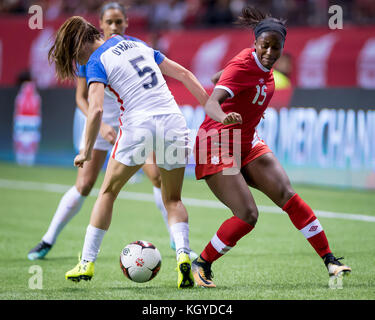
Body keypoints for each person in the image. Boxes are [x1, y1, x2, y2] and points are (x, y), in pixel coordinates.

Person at [191, 6, 351, 288]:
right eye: (264, 46)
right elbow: (211, 101)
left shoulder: (258, 67)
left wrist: (226, 77)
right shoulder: (244, 65)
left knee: (287, 194)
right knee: (247, 215)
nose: (269, 52)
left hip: (247, 140)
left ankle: (331, 261)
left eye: (275, 48)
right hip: (216, 142)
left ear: (282, 48)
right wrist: (224, 115)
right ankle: (202, 263)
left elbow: (221, 76)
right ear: (255, 44)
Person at [48, 15, 209, 288]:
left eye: (75, 56)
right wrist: (212, 109)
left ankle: (86, 262)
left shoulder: (97, 59)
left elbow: (96, 108)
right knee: (173, 200)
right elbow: (184, 74)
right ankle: (183, 255)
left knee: (108, 192)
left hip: (138, 126)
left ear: (80, 44)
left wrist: (85, 151)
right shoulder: (135, 42)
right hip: (173, 122)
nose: (79, 63)